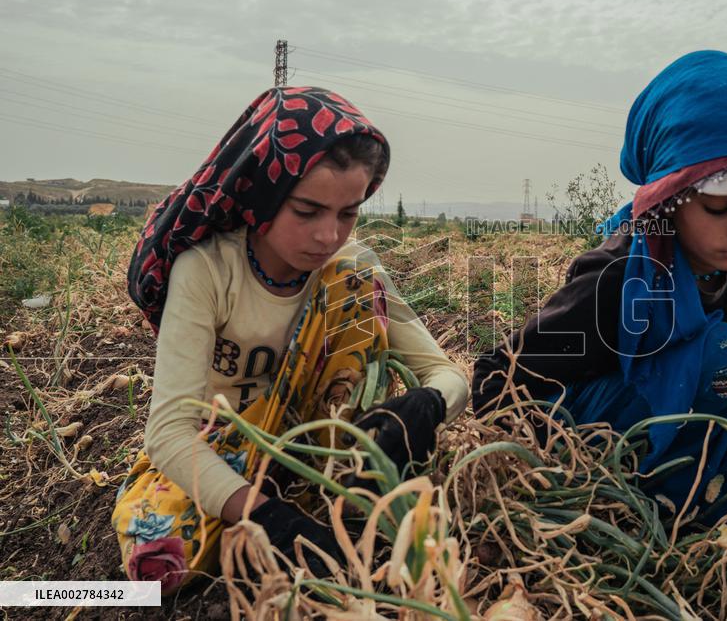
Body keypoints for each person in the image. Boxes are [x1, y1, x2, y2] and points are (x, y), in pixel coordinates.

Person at [112, 86, 468, 592]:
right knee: (162, 563)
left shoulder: (352, 272)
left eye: (347, 214)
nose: (328, 236)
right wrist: (266, 519)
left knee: (352, 277)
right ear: (262, 195)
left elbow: (449, 373)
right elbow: (169, 433)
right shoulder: (208, 271)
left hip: (326, 457)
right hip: (224, 453)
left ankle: (342, 492)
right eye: (307, 211)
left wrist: (429, 404)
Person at [472, 50, 727, 522]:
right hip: (600, 461)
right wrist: (566, 477)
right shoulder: (620, 275)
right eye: (719, 208)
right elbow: (498, 378)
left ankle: (704, 500)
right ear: (669, 198)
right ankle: (648, 511)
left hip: (697, 453)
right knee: (724, 351)